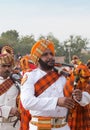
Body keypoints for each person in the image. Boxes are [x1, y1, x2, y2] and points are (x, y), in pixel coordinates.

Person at [20, 39, 88, 130]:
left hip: (64, 127)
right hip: (40, 127)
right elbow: (27, 102)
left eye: (51, 54)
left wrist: (81, 97)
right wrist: (56, 102)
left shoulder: (64, 76)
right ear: (38, 58)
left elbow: (84, 99)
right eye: (45, 55)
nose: (50, 57)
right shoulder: (30, 76)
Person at [0, 46, 20, 130]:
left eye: (9, 66)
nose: (7, 68)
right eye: (4, 66)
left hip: (15, 125)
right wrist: (8, 110)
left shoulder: (18, 81)